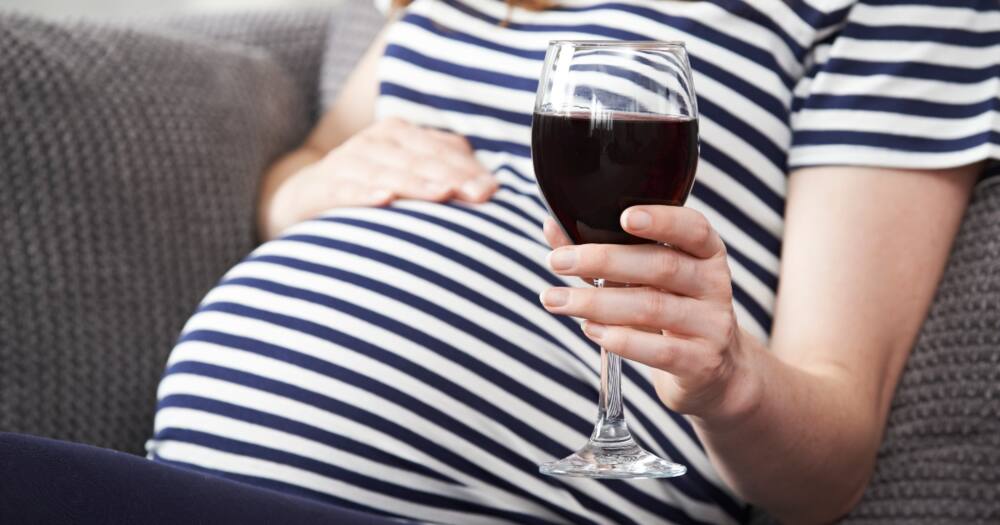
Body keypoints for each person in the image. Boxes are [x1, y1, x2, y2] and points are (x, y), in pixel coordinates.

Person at [146, 1, 1000, 523]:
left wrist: (728, 376)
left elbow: (831, 468)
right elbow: (312, 158)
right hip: (189, 480)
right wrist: (299, 194)